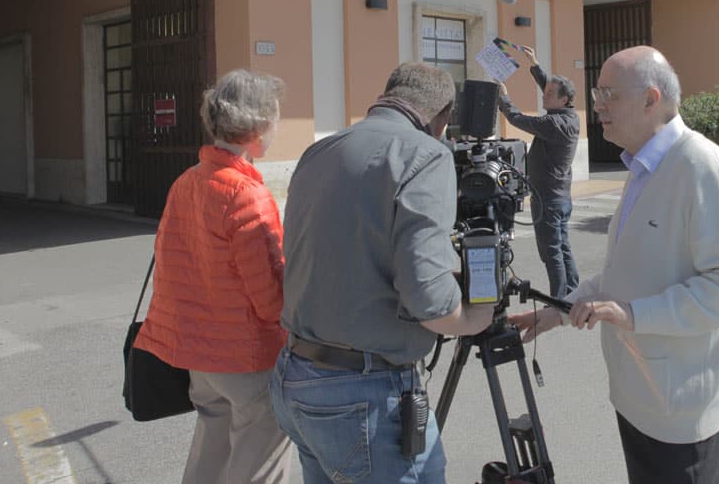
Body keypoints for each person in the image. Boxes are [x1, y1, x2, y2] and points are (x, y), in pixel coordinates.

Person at [508, 45, 719, 484]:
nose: (597, 106)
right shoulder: (646, 166)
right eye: (597, 93)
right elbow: (622, 273)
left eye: (609, 94)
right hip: (640, 396)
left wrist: (633, 314)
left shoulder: (700, 165)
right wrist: (558, 312)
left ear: (650, 99)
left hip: (680, 411)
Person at [271, 63, 495, 484]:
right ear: (443, 116)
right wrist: (475, 316)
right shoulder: (426, 155)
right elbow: (430, 298)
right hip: (363, 392)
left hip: (295, 375)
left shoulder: (321, 149)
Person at [133, 69, 291, 484]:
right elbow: (271, 301)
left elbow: (170, 267)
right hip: (246, 356)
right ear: (258, 126)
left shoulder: (186, 181)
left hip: (197, 353)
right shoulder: (248, 195)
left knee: (211, 452)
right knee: (260, 462)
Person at [496, 44, 580, 298]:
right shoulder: (568, 115)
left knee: (551, 252)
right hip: (558, 196)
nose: (544, 96)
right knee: (562, 247)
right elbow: (550, 88)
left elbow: (517, 119)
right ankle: (572, 293)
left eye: (549, 94)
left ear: (564, 99)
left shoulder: (553, 123)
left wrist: (504, 97)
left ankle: (559, 300)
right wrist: (534, 65)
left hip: (548, 199)